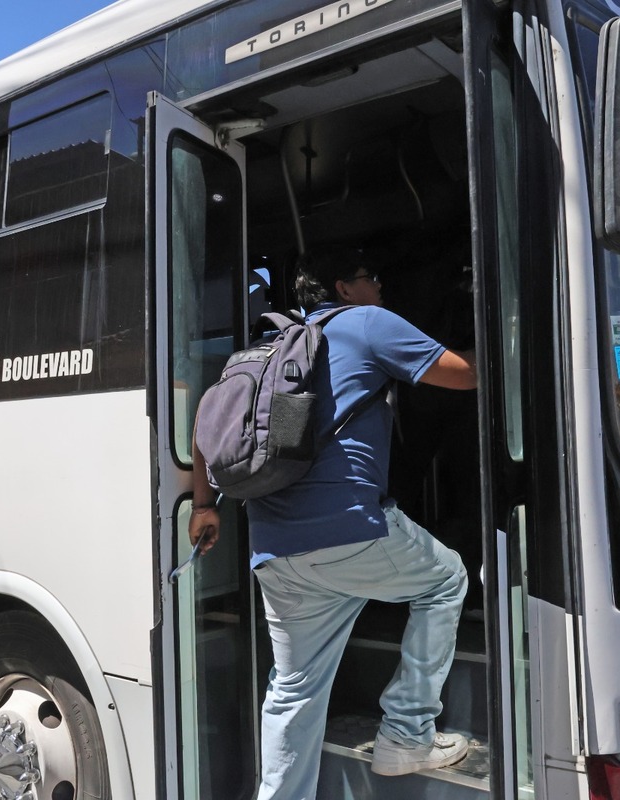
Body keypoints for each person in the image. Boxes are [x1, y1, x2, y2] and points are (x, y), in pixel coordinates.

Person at [190, 247, 477, 799]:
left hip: (274, 548)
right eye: (374, 279)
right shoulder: (368, 323)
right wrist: (517, 336)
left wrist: (204, 507)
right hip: (348, 531)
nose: (382, 290)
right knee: (446, 580)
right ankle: (407, 733)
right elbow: (464, 376)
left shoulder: (270, 346)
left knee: (293, 690)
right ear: (345, 288)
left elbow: (209, 417)